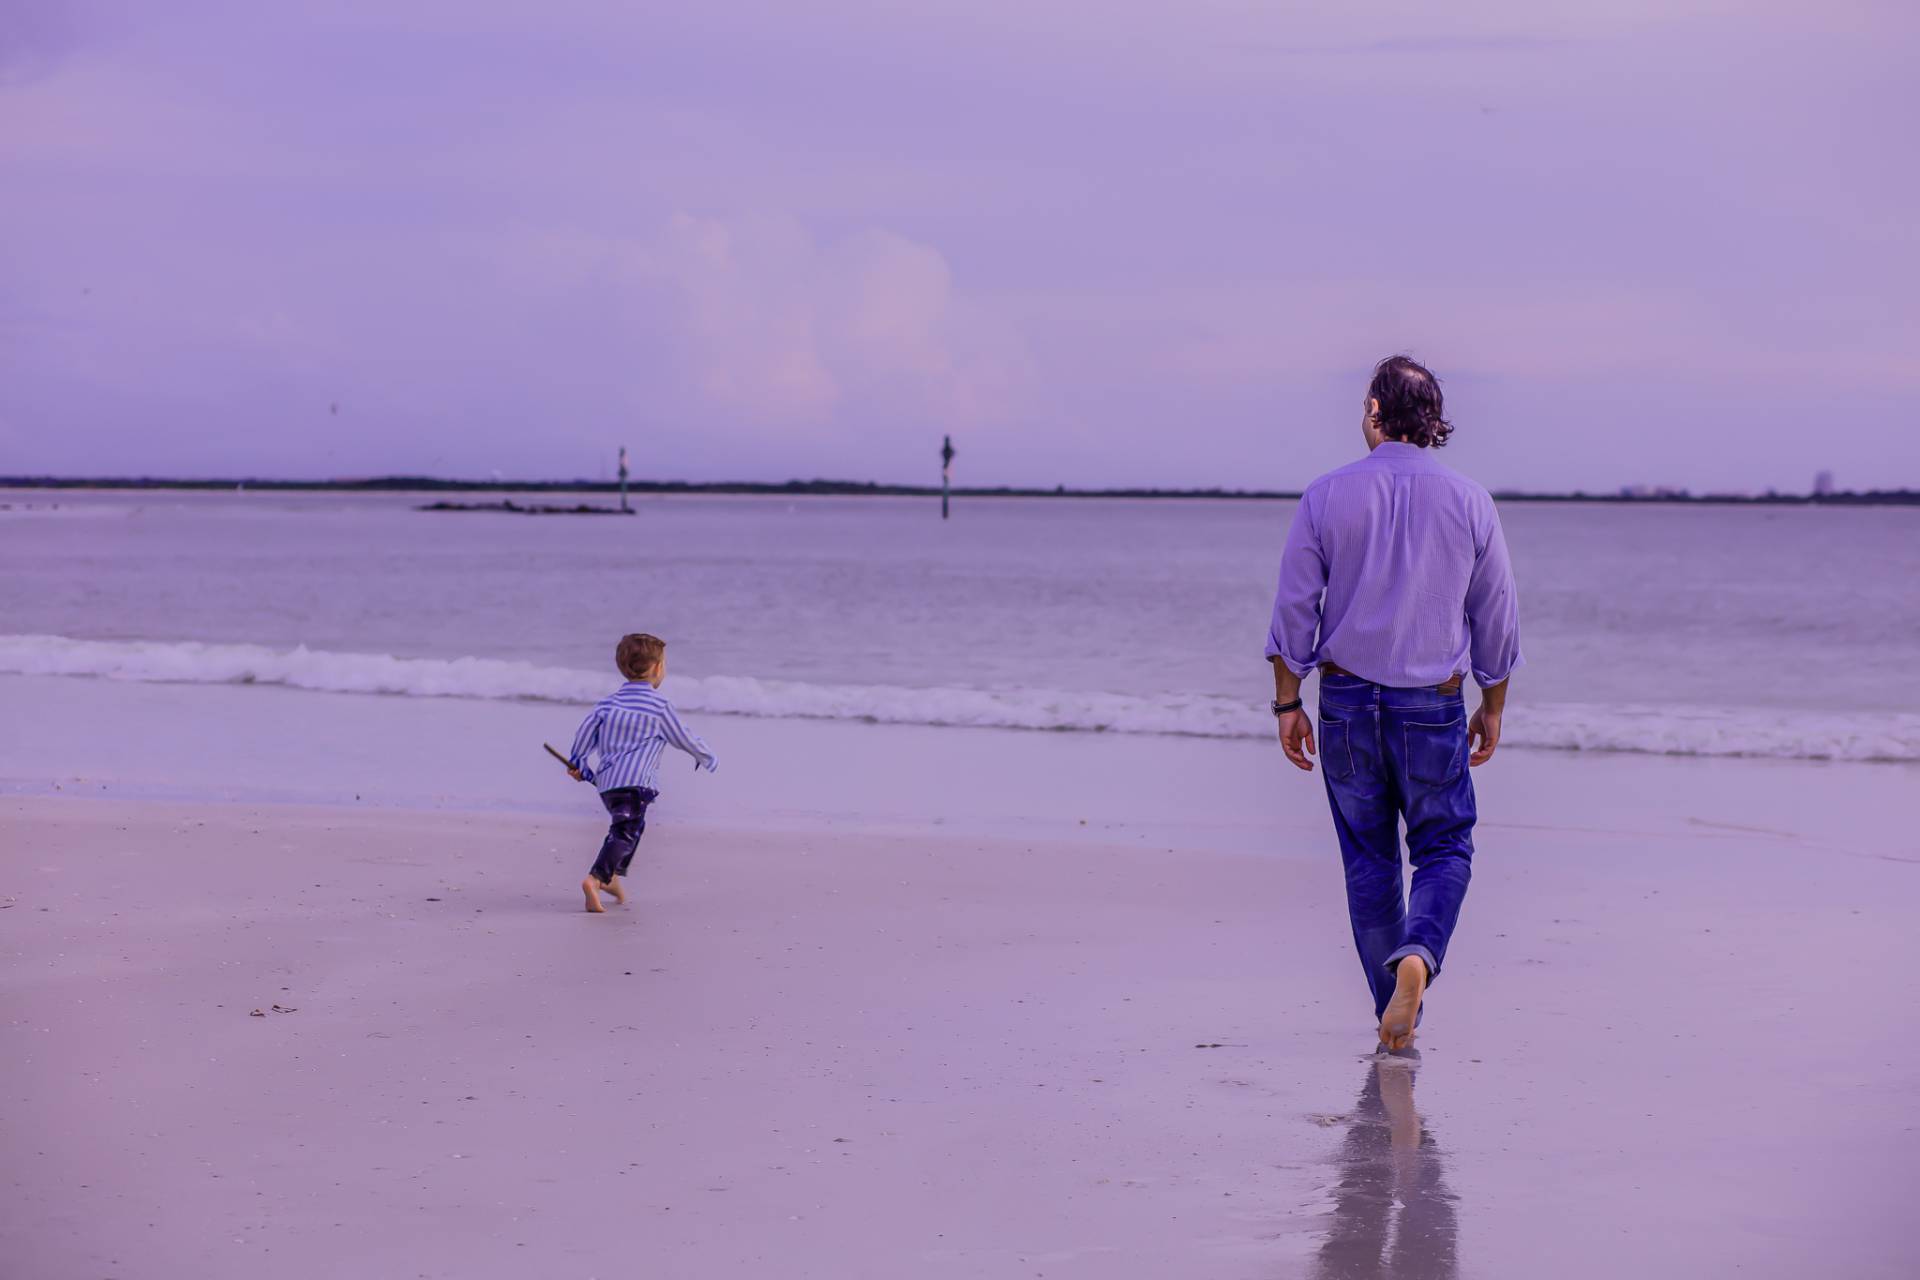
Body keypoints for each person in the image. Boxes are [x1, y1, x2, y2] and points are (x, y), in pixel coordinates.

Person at [1265, 355, 1521, 1050]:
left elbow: (1295, 609)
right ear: (1433, 422)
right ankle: (1419, 957)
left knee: (1369, 861)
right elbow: (1495, 615)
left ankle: (1392, 1011)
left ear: (1376, 413)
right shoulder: (1471, 500)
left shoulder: (1325, 495)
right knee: (1444, 849)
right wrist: (1493, 701)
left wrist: (1287, 704)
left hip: (1345, 702)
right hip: (1430, 708)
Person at [565, 632, 719, 913]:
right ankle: (596, 877)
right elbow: (682, 736)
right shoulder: (659, 707)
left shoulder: (607, 704)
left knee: (630, 828)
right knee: (625, 831)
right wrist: (706, 756)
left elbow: (583, 736)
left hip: (608, 785)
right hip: (637, 784)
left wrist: (578, 764)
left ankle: (611, 876)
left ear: (622, 668)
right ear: (658, 669)